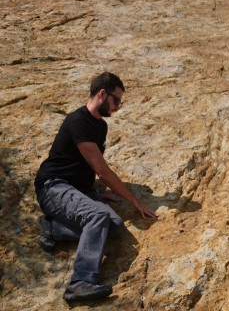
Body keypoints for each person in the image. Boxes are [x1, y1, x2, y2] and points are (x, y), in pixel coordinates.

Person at [35, 72, 158, 301]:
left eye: (120, 102)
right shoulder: (77, 121)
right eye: (116, 100)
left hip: (79, 190)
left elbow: (86, 165)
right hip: (53, 187)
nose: (118, 107)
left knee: (115, 226)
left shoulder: (100, 127)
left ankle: (53, 228)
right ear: (102, 94)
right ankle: (80, 282)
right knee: (98, 215)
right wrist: (134, 200)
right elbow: (101, 169)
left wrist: (97, 191)